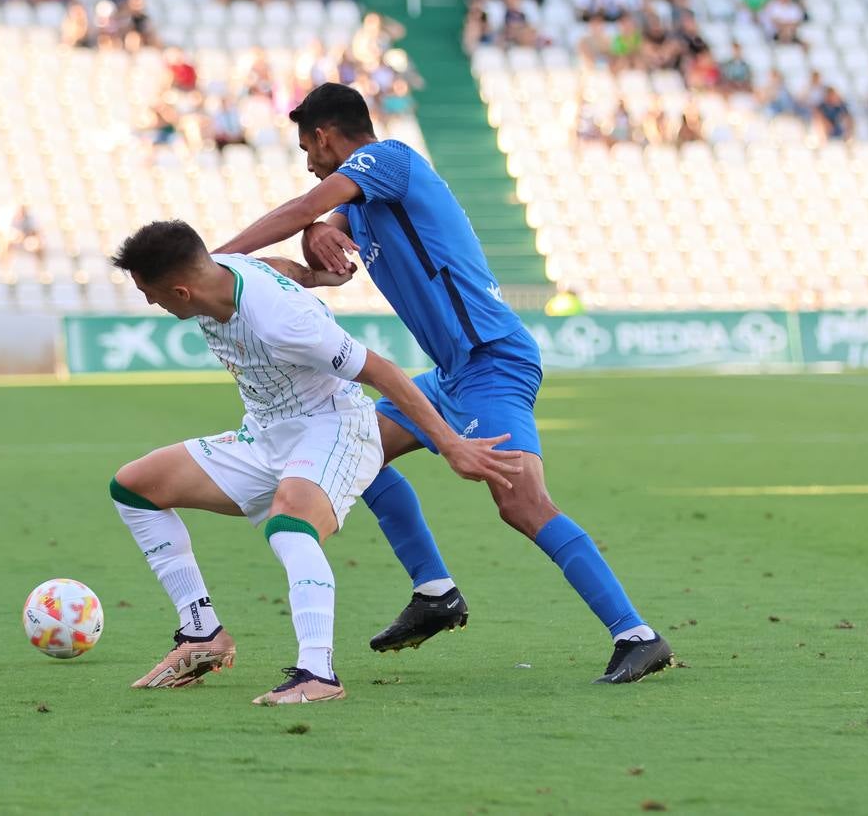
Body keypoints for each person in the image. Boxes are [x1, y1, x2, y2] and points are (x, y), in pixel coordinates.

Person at [214, 83, 672, 684]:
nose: (308, 160)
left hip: (493, 361)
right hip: (453, 373)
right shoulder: (360, 204)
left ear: (326, 135)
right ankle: (435, 593)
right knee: (355, 448)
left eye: (307, 147)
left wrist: (213, 263)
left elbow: (303, 207)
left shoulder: (391, 158)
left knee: (521, 502)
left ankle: (636, 633)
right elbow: (319, 259)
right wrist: (317, 233)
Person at [108, 221, 519, 704]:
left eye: (150, 293)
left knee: (290, 526)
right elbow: (269, 267)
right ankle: (201, 633)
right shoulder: (224, 271)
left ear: (180, 289)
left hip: (334, 427)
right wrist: (311, 275)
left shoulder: (283, 322)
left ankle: (317, 673)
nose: (151, 303)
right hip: (264, 434)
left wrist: (451, 445)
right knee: (135, 487)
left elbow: (382, 371)